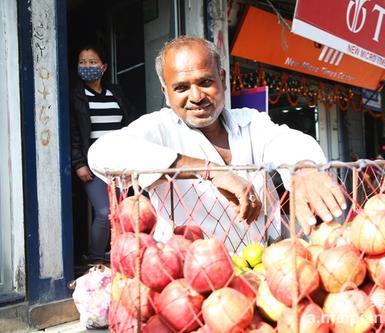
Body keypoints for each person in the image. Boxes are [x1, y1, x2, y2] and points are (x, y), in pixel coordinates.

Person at [88, 36, 346, 248]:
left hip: (260, 267)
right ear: (166, 94)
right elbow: (102, 154)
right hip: (188, 279)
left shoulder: (249, 122)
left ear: (222, 79)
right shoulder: (159, 128)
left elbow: (288, 141)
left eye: (205, 82)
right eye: (181, 88)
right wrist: (209, 170)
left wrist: (303, 168)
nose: (196, 96)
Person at [71, 44, 138, 263]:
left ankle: (121, 255)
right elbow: (74, 133)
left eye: (92, 62)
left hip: (121, 163)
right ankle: (95, 259)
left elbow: (131, 124)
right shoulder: (76, 96)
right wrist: (79, 163)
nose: (87, 66)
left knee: (127, 210)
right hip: (92, 165)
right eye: (82, 63)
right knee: (104, 211)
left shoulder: (116, 92)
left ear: (104, 67)